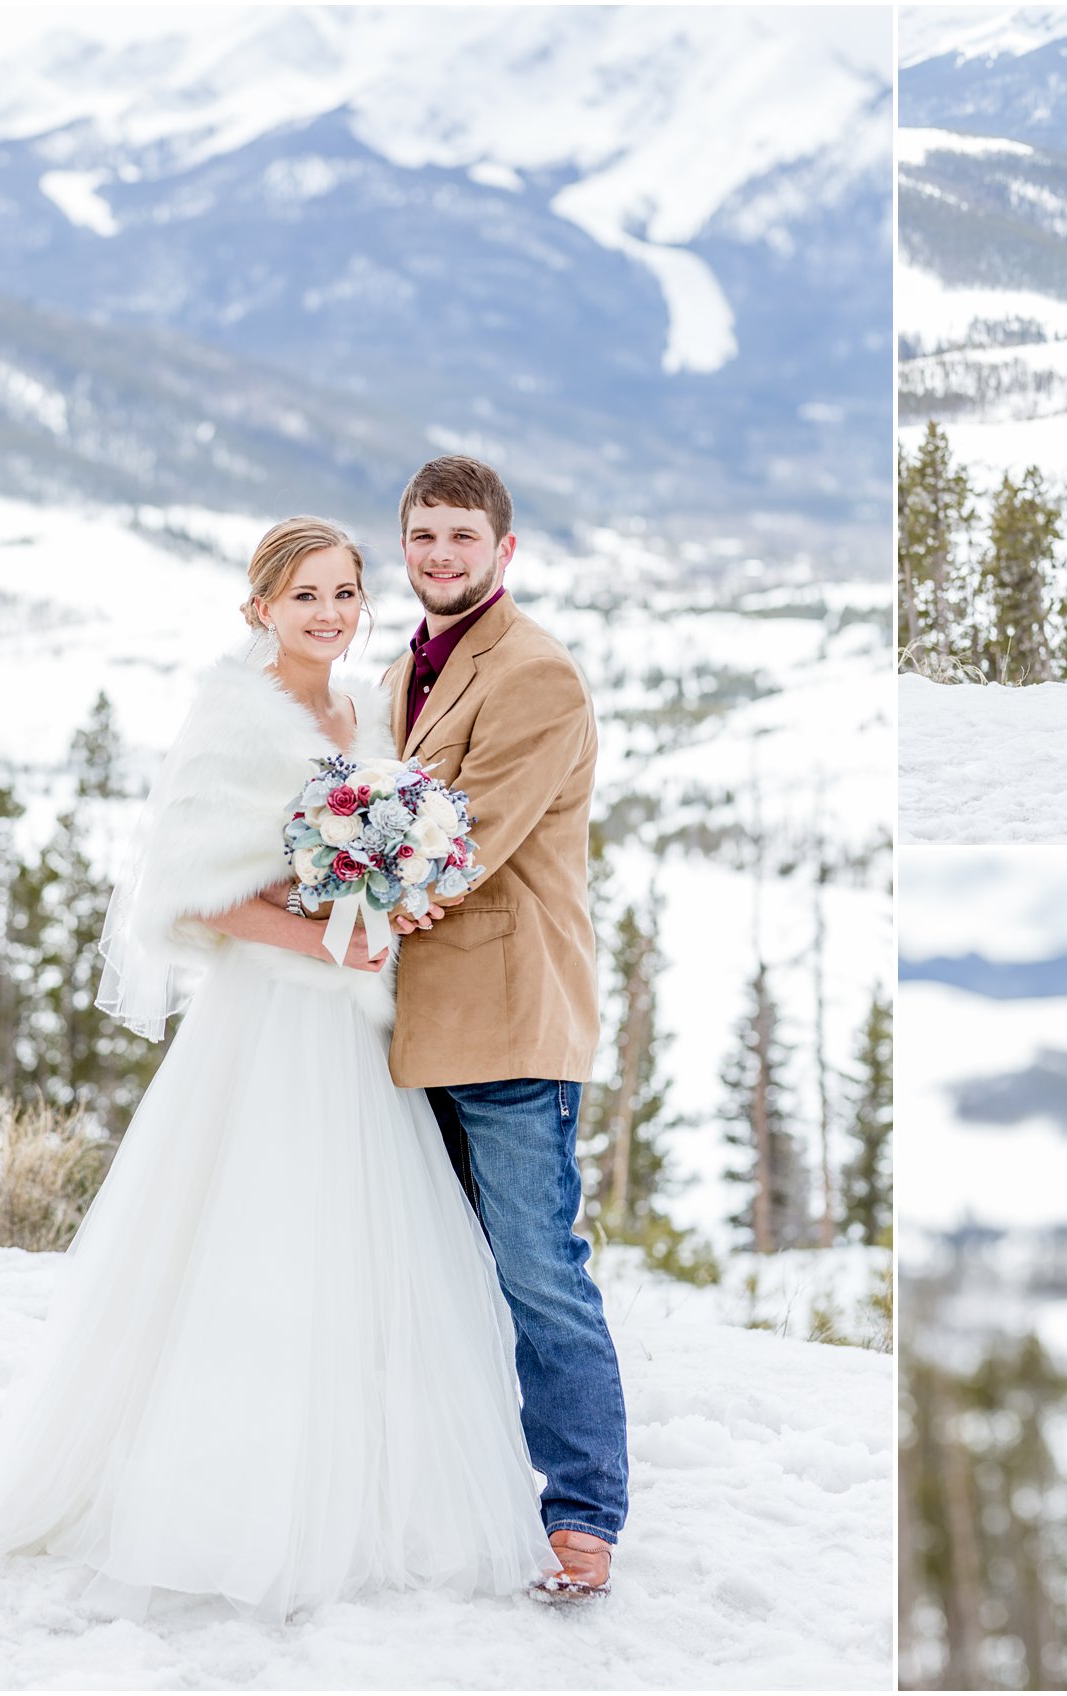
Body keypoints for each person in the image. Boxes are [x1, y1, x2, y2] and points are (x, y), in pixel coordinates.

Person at [0, 517, 553, 1618]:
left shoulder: (375, 707)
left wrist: (389, 894)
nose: (329, 614)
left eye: (343, 593)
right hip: (275, 1023)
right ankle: (236, 1498)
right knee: (261, 1246)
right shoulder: (233, 714)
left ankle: (368, 1496)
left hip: (359, 1027)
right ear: (260, 610)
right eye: (304, 599)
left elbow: (386, 847)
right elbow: (190, 893)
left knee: (363, 1253)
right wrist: (334, 932)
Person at [380, 455, 629, 1597]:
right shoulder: (405, 673)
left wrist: (318, 892)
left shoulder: (532, 674)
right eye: (424, 536)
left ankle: (583, 1513)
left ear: (503, 551)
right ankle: (459, 1481)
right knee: (441, 1262)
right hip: (417, 1020)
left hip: (509, 1015)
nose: (441, 556)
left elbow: (459, 844)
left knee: (537, 1270)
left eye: (461, 539)